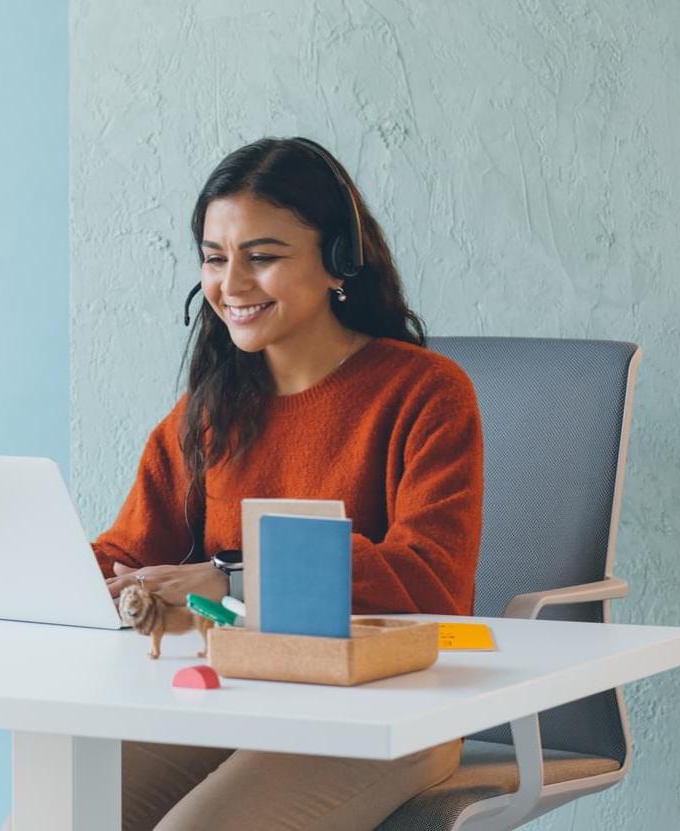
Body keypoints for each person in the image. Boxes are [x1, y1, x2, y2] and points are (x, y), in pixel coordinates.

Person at [90, 136, 484, 831]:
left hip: (392, 706)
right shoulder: (208, 414)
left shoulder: (426, 394)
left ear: (337, 262)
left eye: (262, 257)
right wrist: (39, 579)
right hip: (236, 690)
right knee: (58, 811)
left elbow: (430, 582)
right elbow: (125, 554)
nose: (231, 284)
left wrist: (231, 578)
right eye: (214, 258)